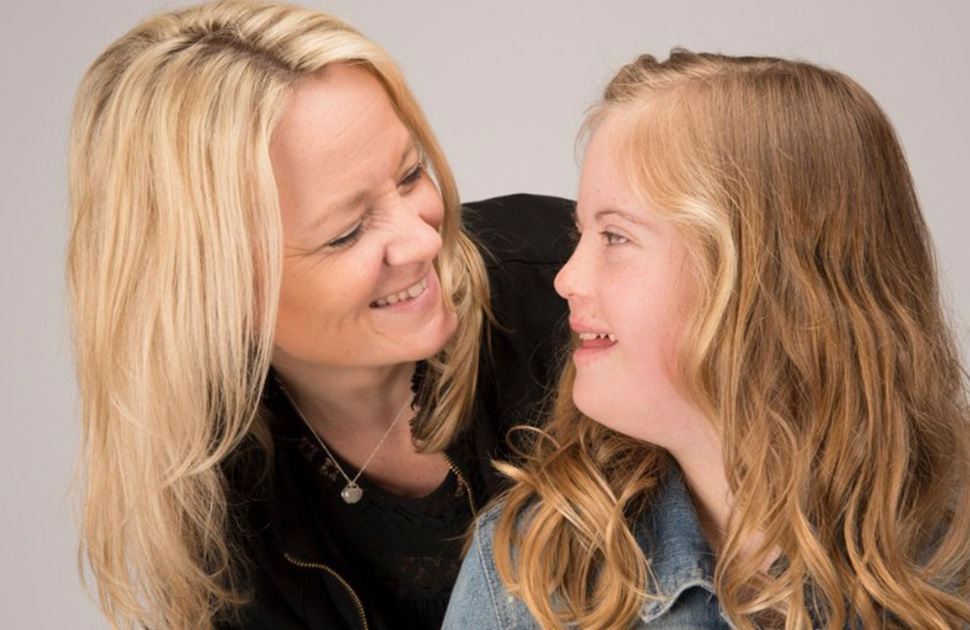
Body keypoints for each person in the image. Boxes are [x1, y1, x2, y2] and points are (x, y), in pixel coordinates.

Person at [67, 1, 572, 628]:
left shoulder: (574, 292)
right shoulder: (210, 491)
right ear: (209, 291)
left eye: (411, 175)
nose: (421, 241)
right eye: (347, 232)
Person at [443, 50, 970, 629]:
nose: (566, 278)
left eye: (615, 236)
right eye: (580, 232)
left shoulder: (952, 564)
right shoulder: (530, 575)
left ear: (766, 280)